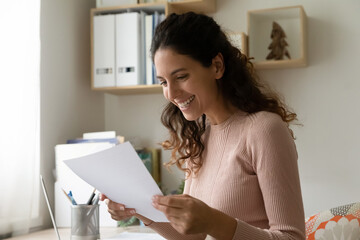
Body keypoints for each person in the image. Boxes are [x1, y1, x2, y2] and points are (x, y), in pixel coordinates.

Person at [100, 12, 305, 240]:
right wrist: (139, 210)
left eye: (181, 76)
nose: (171, 93)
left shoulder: (265, 130)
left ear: (217, 66)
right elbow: (194, 236)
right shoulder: (198, 136)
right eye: (163, 82)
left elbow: (291, 237)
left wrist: (214, 221)